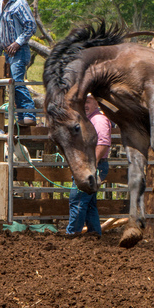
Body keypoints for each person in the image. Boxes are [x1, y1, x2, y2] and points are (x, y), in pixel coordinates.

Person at [0, 0, 37, 126]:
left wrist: (17, 43)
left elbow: (31, 26)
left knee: (17, 81)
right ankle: (20, 118)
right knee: (9, 85)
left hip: (19, 50)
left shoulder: (20, 3)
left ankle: (30, 115)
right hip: (4, 52)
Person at [67, 94, 111, 236]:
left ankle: (73, 233)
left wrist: (93, 164)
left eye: (88, 101)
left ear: (97, 103)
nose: (85, 105)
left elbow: (103, 143)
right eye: (83, 102)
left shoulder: (98, 120)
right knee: (89, 203)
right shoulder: (89, 120)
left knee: (78, 199)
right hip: (89, 165)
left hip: (92, 166)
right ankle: (94, 234)